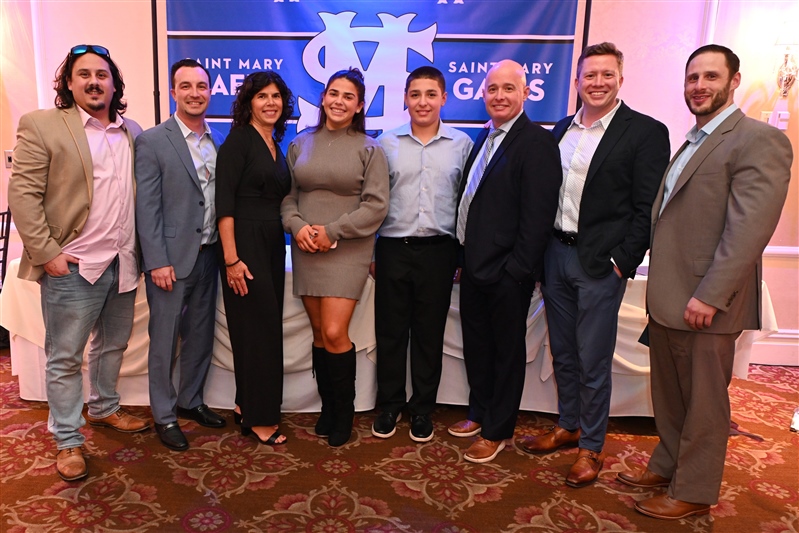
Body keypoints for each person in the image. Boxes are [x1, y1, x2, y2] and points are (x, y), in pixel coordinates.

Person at [617, 44, 792, 520]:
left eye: (711, 77)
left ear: (734, 81)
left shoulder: (757, 139)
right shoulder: (694, 140)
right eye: (693, 77)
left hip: (705, 302)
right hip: (670, 297)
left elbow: (749, 229)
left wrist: (711, 295)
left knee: (704, 404)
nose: (699, 86)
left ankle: (693, 491)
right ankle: (669, 465)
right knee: (671, 398)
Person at [518, 43, 670, 487]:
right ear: (577, 81)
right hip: (555, 255)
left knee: (593, 358)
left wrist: (622, 261)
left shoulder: (644, 132)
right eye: (590, 75)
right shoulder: (560, 130)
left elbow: (647, 208)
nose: (597, 83)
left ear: (620, 79)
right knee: (563, 352)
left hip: (601, 264)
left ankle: (592, 447)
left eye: (607, 75)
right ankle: (568, 426)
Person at [8, 44, 148, 481]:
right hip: (73, 266)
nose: (93, 81)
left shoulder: (132, 131)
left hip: (123, 263)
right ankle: (68, 439)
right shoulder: (43, 125)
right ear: (68, 83)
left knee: (113, 345)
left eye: (102, 75)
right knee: (65, 357)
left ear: (114, 84)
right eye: (83, 74)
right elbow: (23, 194)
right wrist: (47, 252)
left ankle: (104, 407)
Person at [448, 60, 561, 463]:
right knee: (478, 347)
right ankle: (479, 413)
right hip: (474, 266)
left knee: (505, 354)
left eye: (508, 88)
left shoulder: (537, 142)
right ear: (483, 94)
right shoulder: (485, 136)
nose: (499, 96)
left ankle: (497, 431)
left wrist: (518, 270)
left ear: (526, 93)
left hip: (507, 272)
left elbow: (538, 216)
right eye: (492, 88)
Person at [281, 68, 389, 447]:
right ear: (324, 97)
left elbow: (376, 206)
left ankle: (344, 412)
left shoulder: (370, 149)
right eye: (333, 93)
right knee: (318, 334)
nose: (339, 101)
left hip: (348, 250)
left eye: (348, 96)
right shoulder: (300, 144)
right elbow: (287, 197)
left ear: (359, 106)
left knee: (333, 332)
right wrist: (297, 227)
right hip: (307, 248)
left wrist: (333, 231)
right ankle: (328, 408)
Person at [372, 67, 473, 442]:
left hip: (439, 252)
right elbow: (374, 200)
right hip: (393, 248)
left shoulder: (462, 144)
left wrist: (461, 255)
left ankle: (422, 410)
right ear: (405, 99)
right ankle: (389, 405)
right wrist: (371, 251)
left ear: (444, 98)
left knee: (429, 335)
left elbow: (467, 203)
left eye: (431, 94)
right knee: (391, 332)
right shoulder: (385, 143)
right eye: (415, 94)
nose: (423, 102)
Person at [135, 59, 226, 452]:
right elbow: (146, 208)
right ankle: (164, 414)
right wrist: (156, 260)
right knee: (164, 339)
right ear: (173, 92)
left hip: (209, 255)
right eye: (186, 86)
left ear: (211, 91)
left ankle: (191, 400)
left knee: (200, 335)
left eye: (202, 86)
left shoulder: (217, 139)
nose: (195, 93)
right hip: (170, 260)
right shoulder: (153, 140)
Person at [216, 71, 294, 446]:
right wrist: (232, 259)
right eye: (262, 96)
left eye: (276, 96)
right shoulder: (238, 141)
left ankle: (246, 404)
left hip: (272, 242)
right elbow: (225, 204)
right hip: (244, 243)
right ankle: (261, 418)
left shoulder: (275, 143)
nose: (270, 102)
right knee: (259, 331)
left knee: (259, 328)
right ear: (248, 103)